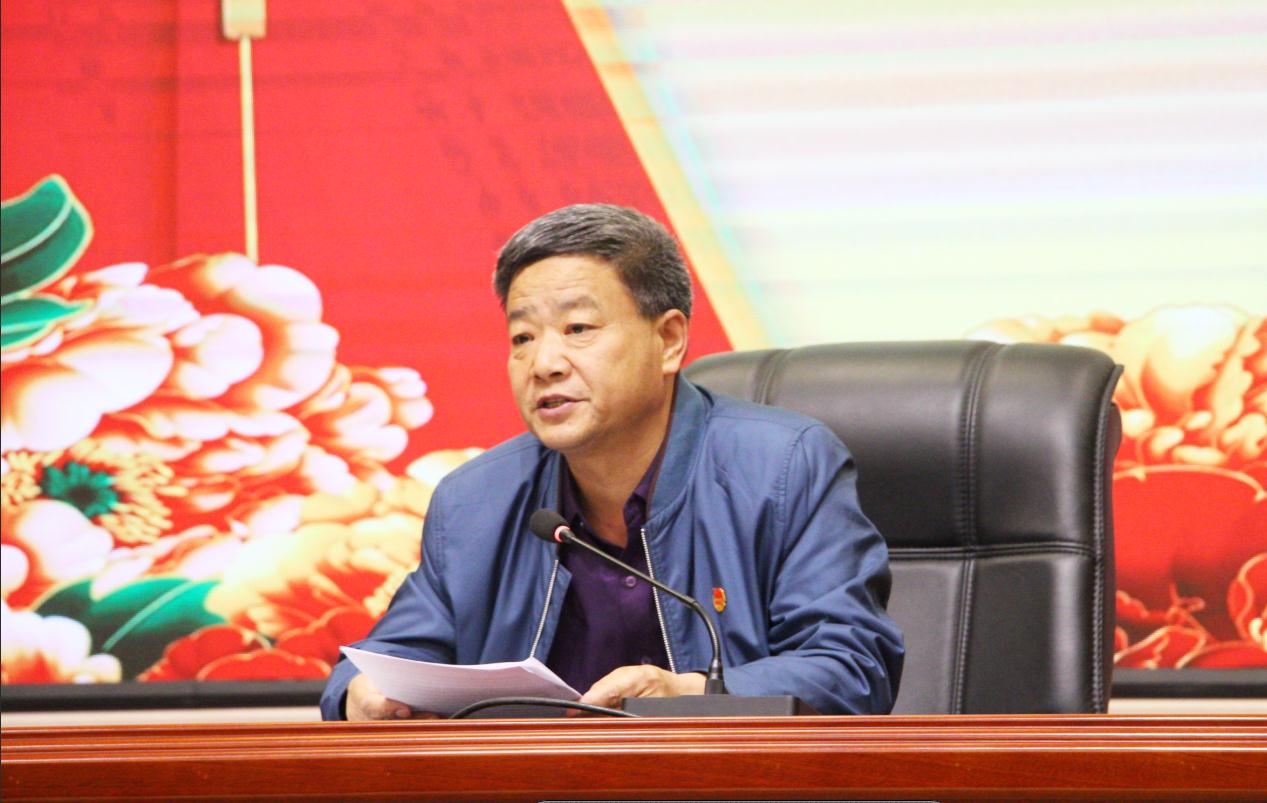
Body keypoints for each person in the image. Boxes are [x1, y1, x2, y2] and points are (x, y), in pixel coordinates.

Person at [320, 204, 903, 720]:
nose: (544, 363)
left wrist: (692, 693)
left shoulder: (783, 467)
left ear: (669, 340)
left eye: (578, 329)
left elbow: (852, 666)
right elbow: (383, 660)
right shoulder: (475, 499)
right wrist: (361, 695)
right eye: (522, 338)